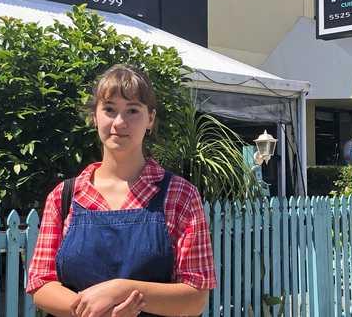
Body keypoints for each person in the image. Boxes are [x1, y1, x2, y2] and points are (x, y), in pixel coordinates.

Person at [26, 64, 216, 317]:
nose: (119, 122)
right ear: (95, 116)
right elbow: (41, 283)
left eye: (133, 110)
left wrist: (121, 290)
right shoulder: (64, 196)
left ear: (150, 119)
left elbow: (195, 298)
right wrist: (95, 313)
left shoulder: (181, 196)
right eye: (109, 109)